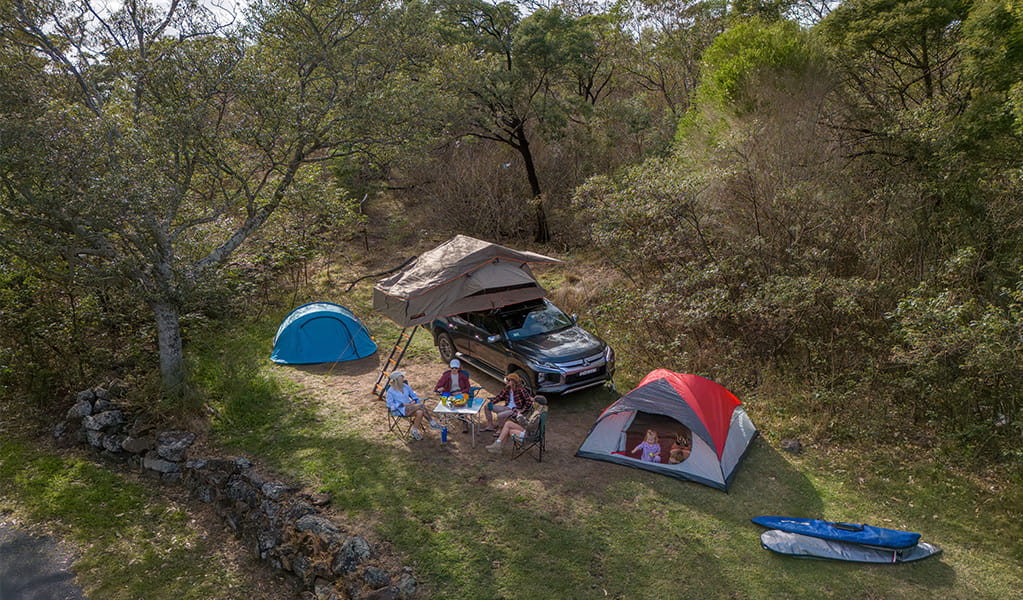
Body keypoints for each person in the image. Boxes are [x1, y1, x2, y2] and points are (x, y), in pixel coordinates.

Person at [385, 371, 441, 440]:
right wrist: (402, 404)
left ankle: (414, 432)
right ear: (397, 379)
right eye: (401, 376)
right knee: (421, 406)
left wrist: (414, 400)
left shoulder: (405, 386)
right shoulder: (390, 391)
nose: (403, 377)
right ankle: (432, 423)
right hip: (400, 410)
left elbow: (414, 396)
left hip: (411, 407)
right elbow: (390, 405)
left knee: (420, 412)